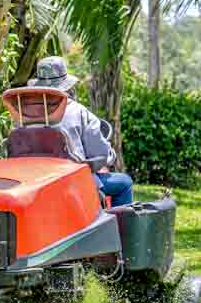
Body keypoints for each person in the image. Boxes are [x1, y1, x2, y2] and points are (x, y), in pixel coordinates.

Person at [28, 57, 134, 208]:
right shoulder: (78, 111)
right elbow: (100, 153)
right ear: (66, 85)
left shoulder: (24, 114)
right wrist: (110, 156)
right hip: (70, 181)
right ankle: (123, 231)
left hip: (35, 179)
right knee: (124, 183)